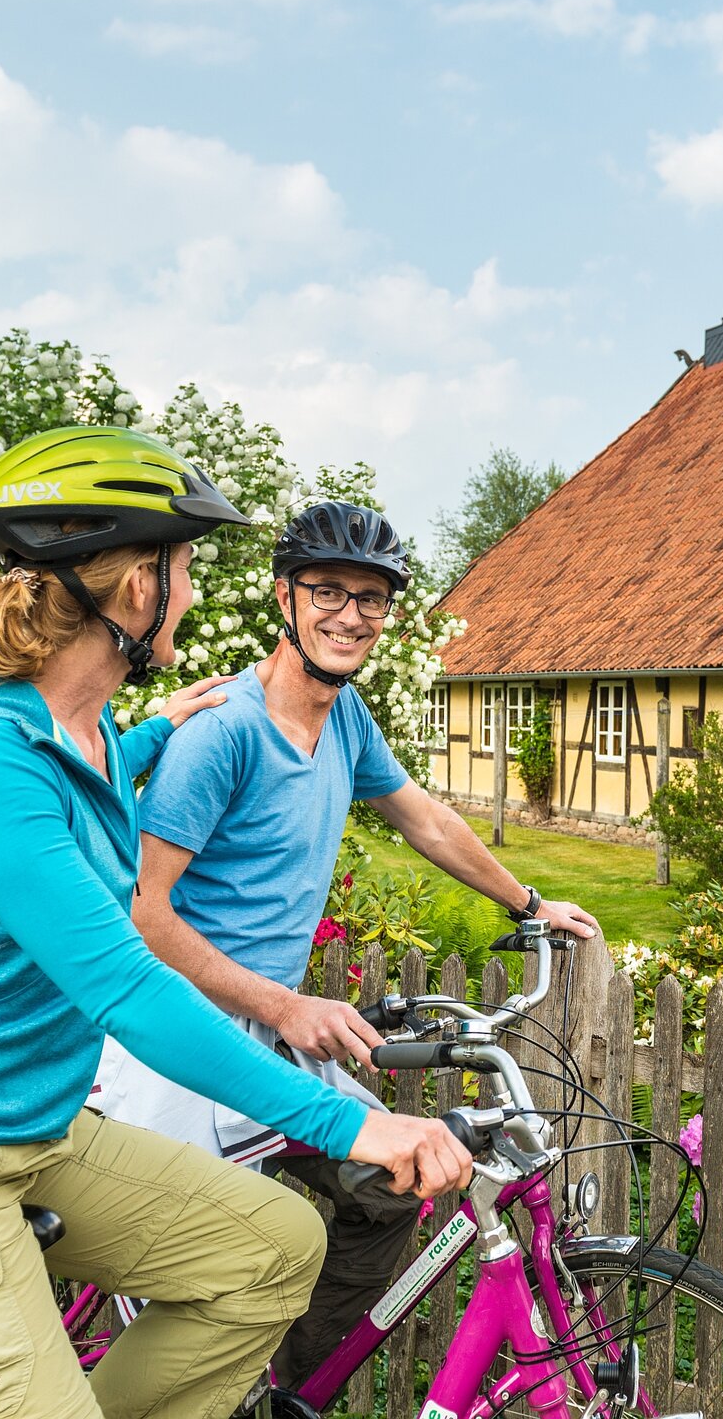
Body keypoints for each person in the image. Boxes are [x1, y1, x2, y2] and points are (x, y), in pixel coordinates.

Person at [0, 428, 473, 1419]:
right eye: (184, 568)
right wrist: (353, 1121)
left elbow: (77, 775)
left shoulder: (87, 728)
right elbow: (123, 984)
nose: (192, 594)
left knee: (275, 1249)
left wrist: (153, 732)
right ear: (133, 589)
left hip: (34, 1132)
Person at [93, 499, 597, 1385]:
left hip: (269, 1043)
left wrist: (529, 902)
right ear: (284, 597)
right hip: (176, 1041)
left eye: (371, 598)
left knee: (393, 1182)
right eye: (328, 590)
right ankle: (179, 1386)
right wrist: (286, 1005)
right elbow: (143, 913)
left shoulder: (346, 720)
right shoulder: (223, 735)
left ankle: (285, 1390)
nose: (350, 615)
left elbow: (427, 821)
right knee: (197, 1271)